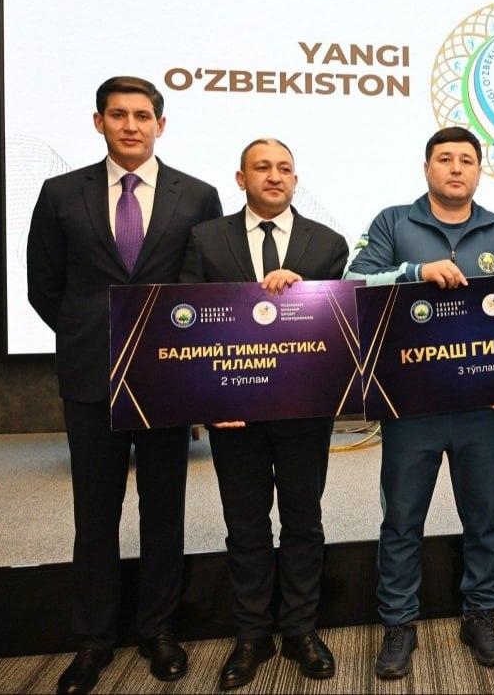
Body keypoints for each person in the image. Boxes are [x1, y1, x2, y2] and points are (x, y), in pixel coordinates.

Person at [27, 76, 223, 694]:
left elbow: (205, 285)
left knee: (163, 510)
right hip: (91, 376)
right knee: (95, 513)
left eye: (143, 116)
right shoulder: (61, 193)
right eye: (118, 115)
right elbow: (43, 286)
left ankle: (157, 631)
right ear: (99, 122)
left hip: (167, 380)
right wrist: (93, 335)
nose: (131, 126)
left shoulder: (199, 195)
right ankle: (93, 641)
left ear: (160, 125)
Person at [344, 126, 494, 679]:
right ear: (426, 167)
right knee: (402, 519)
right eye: (445, 159)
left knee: (485, 515)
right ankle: (399, 623)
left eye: (466, 160)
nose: (455, 168)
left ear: (479, 170)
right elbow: (352, 285)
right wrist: (413, 273)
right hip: (412, 406)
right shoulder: (392, 223)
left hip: (481, 408)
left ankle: (481, 614)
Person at [179, 139, 348, 690]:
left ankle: (300, 628)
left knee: (303, 521)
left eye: (284, 169)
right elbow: (187, 321)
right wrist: (207, 401)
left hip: (304, 414)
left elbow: (337, 328)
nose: (274, 176)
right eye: (262, 168)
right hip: (234, 416)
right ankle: (251, 634)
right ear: (240, 178)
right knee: (246, 525)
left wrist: (305, 293)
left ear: (295, 180)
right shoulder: (206, 239)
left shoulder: (328, 244)